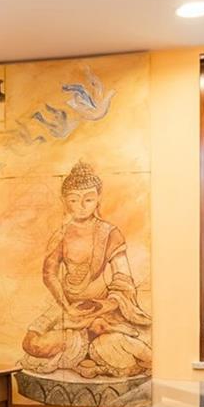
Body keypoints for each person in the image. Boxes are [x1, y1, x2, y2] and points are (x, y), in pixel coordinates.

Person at [21, 161, 152, 380]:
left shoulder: (110, 233)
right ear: (65, 202)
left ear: (98, 199)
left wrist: (102, 306)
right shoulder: (61, 235)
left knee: (111, 343)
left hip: (101, 310)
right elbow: (49, 274)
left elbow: (123, 279)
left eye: (88, 199)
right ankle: (83, 353)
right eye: (73, 200)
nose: (81, 205)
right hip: (68, 308)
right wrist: (67, 307)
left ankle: (90, 353)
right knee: (32, 343)